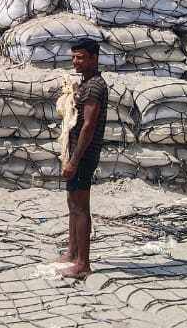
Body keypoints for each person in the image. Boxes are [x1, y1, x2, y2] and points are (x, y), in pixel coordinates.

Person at [51, 38, 108, 280]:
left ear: (94, 58)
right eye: (74, 57)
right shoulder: (85, 84)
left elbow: (88, 126)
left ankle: (83, 263)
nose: (76, 61)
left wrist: (74, 160)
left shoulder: (95, 86)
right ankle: (72, 253)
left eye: (81, 57)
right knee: (72, 204)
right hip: (75, 151)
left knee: (80, 207)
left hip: (83, 154)